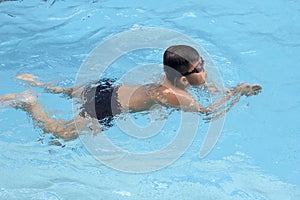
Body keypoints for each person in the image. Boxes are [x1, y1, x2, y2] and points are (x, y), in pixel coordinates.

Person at [0, 45, 262, 141]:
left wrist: (224, 89)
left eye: (202, 64)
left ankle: (38, 83)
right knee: (60, 133)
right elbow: (208, 113)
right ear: (183, 79)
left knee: (69, 91)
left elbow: (206, 87)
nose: (205, 71)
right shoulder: (176, 95)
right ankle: (28, 103)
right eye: (200, 69)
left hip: (108, 87)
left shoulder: (173, 77)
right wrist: (238, 94)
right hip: (104, 107)